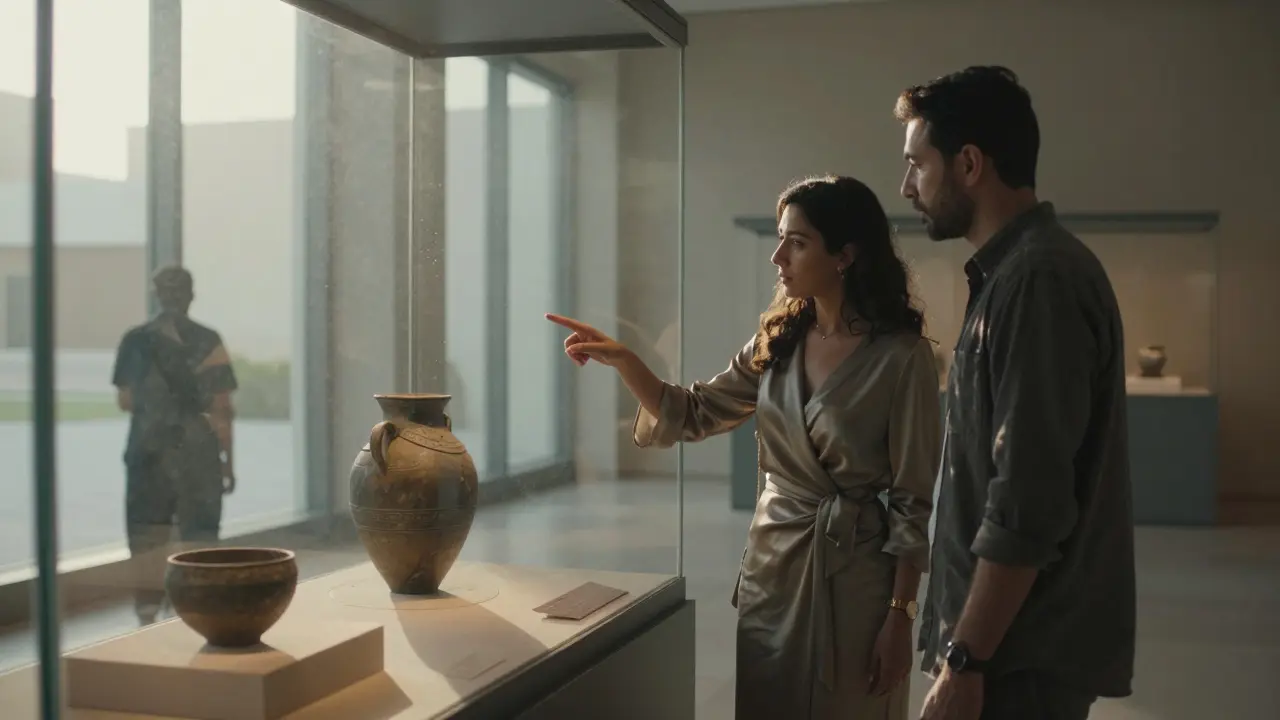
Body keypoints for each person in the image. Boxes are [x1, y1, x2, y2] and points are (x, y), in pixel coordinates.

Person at [548, 175, 941, 719]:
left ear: (845, 255)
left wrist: (900, 614)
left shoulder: (901, 358)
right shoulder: (776, 343)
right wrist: (625, 360)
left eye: (797, 243)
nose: (778, 257)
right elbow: (693, 412)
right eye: (780, 239)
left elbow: (912, 501)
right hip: (771, 571)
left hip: (855, 582)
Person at [894, 66, 1136, 720]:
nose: (907, 186)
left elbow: (1029, 499)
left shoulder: (1037, 281)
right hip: (1007, 653)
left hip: (1015, 661)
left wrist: (966, 659)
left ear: (969, 164)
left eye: (917, 164)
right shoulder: (1014, 276)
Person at [111, 266, 238, 625]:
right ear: (191, 295)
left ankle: (147, 610)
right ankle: (197, 605)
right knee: (199, 533)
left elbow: (125, 400)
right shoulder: (209, 339)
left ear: (156, 295)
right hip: (197, 450)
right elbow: (222, 408)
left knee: (146, 534)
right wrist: (228, 463)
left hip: (147, 449)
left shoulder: (134, 340)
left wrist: (156, 404)